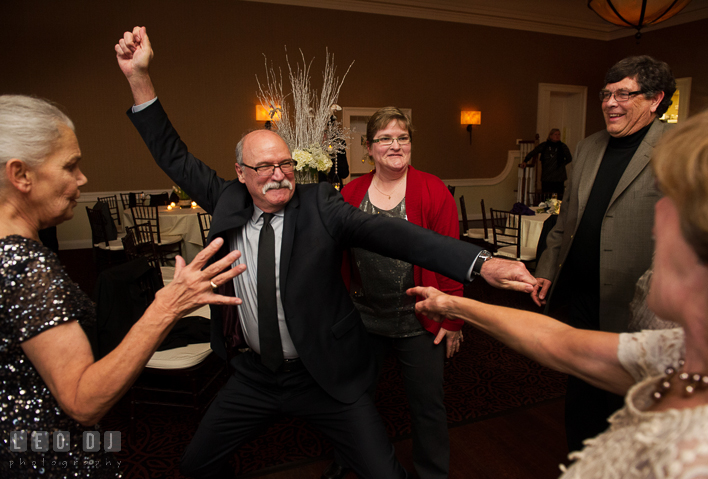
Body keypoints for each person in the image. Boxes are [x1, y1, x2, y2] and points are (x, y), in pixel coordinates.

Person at [115, 26, 536, 479]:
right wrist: (139, 78)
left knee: (382, 471)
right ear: (240, 172)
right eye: (264, 167)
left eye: (286, 164)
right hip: (253, 377)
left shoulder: (321, 205)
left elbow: (395, 236)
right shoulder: (227, 200)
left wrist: (481, 263)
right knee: (195, 463)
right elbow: (172, 155)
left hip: (321, 375)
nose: (279, 175)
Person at [409, 104, 708, 478]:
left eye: (671, 204)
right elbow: (558, 342)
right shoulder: (684, 354)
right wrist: (455, 304)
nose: (654, 226)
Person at [0, 95, 245, 478]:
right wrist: (167, 307)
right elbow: (83, 401)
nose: (82, 178)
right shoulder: (26, 266)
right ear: (20, 175)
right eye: (70, 166)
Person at [532, 55, 676, 451]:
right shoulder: (589, 146)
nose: (611, 103)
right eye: (606, 94)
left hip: (637, 304)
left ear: (654, 99)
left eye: (623, 94)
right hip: (581, 297)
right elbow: (567, 222)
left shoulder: (677, 148)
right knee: (581, 393)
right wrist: (547, 268)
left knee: (629, 401)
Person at [323, 107, 461, 479]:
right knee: (352, 399)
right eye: (385, 138)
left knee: (427, 406)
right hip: (363, 320)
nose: (395, 145)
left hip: (419, 321)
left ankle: (432, 473)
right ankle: (346, 458)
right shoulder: (350, 193)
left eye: (403, 137)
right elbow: (336, 259)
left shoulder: (433, 190)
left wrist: (453, 318)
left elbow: (452, 256)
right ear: (368, 148)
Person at [520, 128, 572, 200]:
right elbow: (534, 152)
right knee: (547, 198)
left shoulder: (563, 146)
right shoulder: (544, 145)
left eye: (559, 134)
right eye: (555, 134)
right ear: (550, 136)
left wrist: (561, 164)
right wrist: (525, 161)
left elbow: (569, 158)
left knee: (558, 198)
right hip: (547, 176)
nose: (557, 136)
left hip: (559, 177)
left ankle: (557, 211)